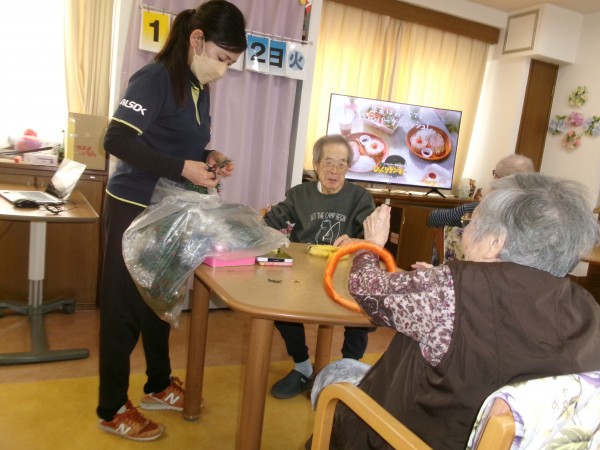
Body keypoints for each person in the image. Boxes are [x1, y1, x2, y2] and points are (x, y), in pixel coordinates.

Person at [312, 173, 600, 449]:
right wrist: (441, 280)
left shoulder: (449, 290)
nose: (466, 229)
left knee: (336, 371)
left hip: (409, 438)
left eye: (471, 221)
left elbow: (366, 288)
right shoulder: (587, 306)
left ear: (495, 241)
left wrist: (370, 245)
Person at [97, 1, 247, 441]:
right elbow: (116, 139)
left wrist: (208, 156)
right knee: (125, 308)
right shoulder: (155, 78)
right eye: (221, 58)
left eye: (230, 63)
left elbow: (175, 142)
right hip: (134, 205)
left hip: (170, 211)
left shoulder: (199, 87)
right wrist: (183, 168)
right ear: (197, 40)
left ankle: (158, 385)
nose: (223, 70)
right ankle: (111, 408)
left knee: (159, 301)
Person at [263, 134, 376, 399]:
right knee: (279, 302)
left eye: (341, 164)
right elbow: (270, 222)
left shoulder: (360, 197)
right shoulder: (299, 194)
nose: (334, 170)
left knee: (365, 303)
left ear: (348, 167)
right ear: (315, 164)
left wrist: (357, 240)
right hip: (303, 274)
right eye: (328, 162)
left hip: (344, 272)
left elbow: (373, 237)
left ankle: (347, 371)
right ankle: (302, 367)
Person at [427, 154, 535, 228]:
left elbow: (434, 218)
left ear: (499, 180)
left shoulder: (477, 210)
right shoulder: (536, 216)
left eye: (495, 174)